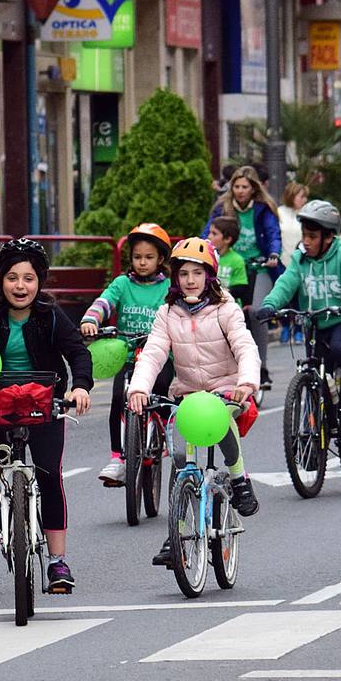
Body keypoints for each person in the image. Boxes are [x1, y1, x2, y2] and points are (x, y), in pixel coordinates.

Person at [0, 238, 92, 593]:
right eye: (12, 278)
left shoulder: (50, 314)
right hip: (0, 401)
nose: (20, 286)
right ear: (0, 281)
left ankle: (58, 563)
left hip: (44, 403)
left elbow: (77, 352)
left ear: (39, 282)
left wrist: (81, 387)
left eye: (29, 278)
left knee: (49, 475)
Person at [131, 237, 260, 566]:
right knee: (180, 459)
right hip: (188, 392)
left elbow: (245, 347)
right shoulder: (167, 314)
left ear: (210, 276)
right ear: (174, 278)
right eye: (183, 273)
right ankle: (176, 532)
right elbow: (154, 354)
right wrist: (138, 388)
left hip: (226, 389)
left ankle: (239, 478)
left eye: (197, 273)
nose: (190, 280)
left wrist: (246, 383)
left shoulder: (225, 309)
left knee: (221, 422)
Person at [256, 201, 341, 414]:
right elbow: (286, 284)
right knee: (319, 375)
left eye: (312, 237)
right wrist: (269, 304)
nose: (306, 241)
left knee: (340, 348)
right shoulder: (300, 258)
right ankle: (326, 428)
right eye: (304, 235)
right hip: (317, 321)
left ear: (329, 237)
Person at [80, 223, 173, 486]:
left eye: (149, 257)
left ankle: (162, 432)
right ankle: (118, 458)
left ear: (161, 259)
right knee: (118, 399)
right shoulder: (122, 283)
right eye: (137, 257)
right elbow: (104, 302)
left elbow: (177, 313)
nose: (142, 263)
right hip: (128, 355)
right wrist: (91, 319)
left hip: (157, 357)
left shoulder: (167, 288)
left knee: (163, 386)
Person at [205, 166, 284, 284]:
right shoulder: (222, 207)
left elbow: (273, 233)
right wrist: (202, 248)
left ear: (253, 189)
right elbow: (208, 232)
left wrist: (274, 253)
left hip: (259, 267)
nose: (240, 191)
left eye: (245, 187)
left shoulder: (264, 208)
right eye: (236, 187)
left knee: (260, 301)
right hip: (231, 266)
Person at [276, 183, 310, 343]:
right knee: (283, 296)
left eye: (305, 197)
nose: (304, 200)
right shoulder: (279, 212)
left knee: (298, 298)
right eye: (301, 196)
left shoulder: (307, 213)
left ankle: (297, 329)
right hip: (282, 259)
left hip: (300, 260)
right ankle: (284, 326)